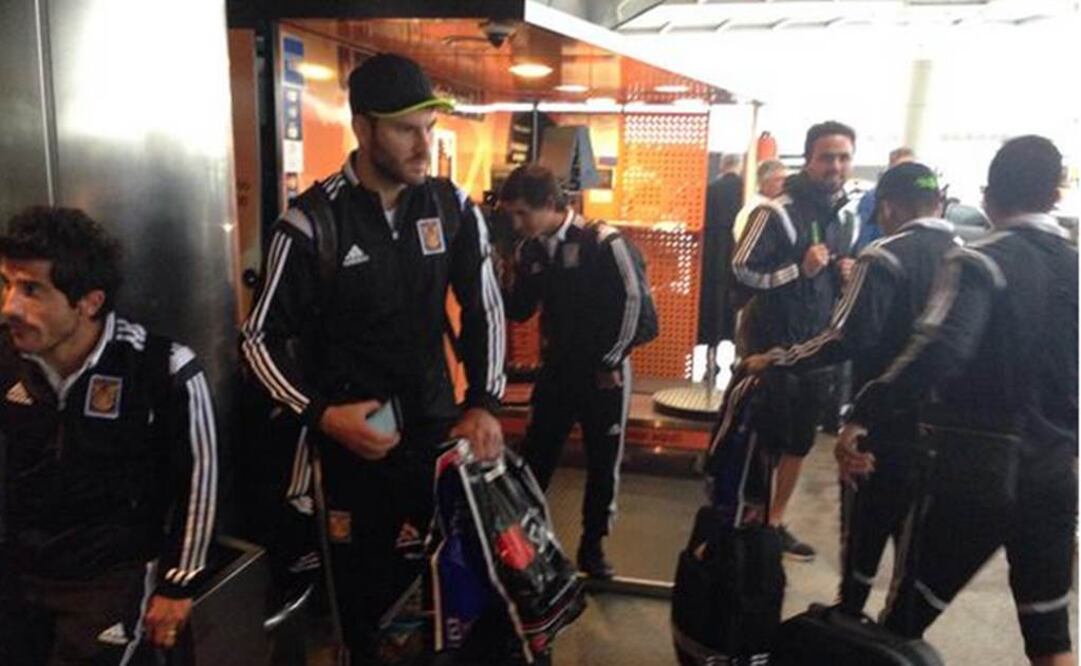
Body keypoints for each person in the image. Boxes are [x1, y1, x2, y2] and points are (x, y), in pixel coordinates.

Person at [240, 53, 507, 664]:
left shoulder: (451, 207)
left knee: (452, 601)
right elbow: (257, 340)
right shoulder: (311, 223)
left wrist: (484, 404)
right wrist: (321, 415)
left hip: (437, 431)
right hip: (353, 445)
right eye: (405, 129)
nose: (424, 144)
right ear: (362, 129)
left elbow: (485, 307)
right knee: (362, 610)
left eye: (428, 127)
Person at [838, 136, 1076, 666]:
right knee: (1050, 637)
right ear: (1055, 194)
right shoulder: (1076, 268)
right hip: (1055, 472)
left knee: (901, 624)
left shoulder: (977, 262)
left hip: (972, 471)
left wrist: (864, 412)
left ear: (989, 196)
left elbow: (937, 352)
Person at [0, 207, 220, 664]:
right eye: (6, 284)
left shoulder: (162, 369)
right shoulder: (8, 364)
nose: (10, 307)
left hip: (114, 579)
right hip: (21, 575)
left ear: (90, 302)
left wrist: (178, 585)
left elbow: (199, 483)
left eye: (32, 290)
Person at [741, 162, 958, 612]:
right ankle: (897, 641)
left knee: (862, 546)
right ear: (937, 203)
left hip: (879, 427)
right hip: (953, 435)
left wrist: (778, 359)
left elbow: (844, 338)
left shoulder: (883, 256)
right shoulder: (970, 257)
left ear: (887, 207)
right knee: (915, 560)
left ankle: (850, 624)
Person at [499, 164, 644, 580]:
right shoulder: (531, 249)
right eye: (513, 215)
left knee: (602, 462)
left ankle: (592, 547)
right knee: (536, 457)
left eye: (523, 213)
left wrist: (610, 361)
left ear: (550, 205)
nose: (517, 222)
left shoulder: (603, 241)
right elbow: (521, 308)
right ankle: (523, 545)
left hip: (605, 375)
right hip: (557, 370)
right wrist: (500, 271)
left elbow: (633, 305)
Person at [730, 120, 858, 561]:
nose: (835, 166)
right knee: (763, 438)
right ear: (808, 160)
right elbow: (741, 270)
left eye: (843, 157)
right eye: (827, 157)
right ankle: (748, 519)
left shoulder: (845, 215)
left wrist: (844, 275)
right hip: (769, 346)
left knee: (800, 440)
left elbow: (832, 275)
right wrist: (796, 270)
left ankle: (775, 521)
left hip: (815, 346)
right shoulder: (775, 211)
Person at [698, 153, 745, 351]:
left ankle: (711, 339)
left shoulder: (710, 189)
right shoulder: (745, 189)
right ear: (740, 166)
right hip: (737, 245)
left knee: (712, 292)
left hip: (712, 248)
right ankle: (733, 340)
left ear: (721, 166)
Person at [733, 159, 789, 242]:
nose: (784, 184)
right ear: (764, 183)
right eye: (779, 180)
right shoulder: (753, 210)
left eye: (786, 179)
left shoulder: (783, 205)